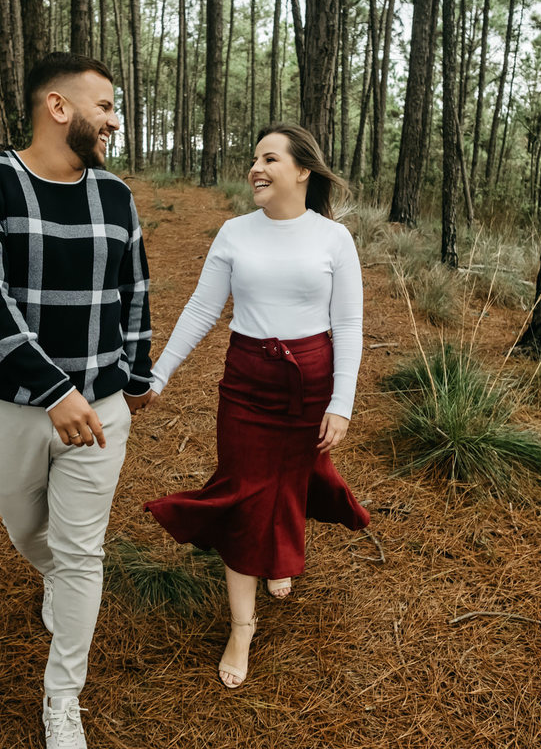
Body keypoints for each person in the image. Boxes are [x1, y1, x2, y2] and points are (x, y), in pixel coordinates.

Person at [0, 52, 154, 749]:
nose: (114, 120)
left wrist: (136, 373)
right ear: (58, 107)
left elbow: (136, 293)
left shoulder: (117, 196)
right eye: (104, 106)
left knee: (80, 553)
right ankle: (62, 587)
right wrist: (51, 388)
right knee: (27, 534)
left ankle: (61, 701)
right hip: (14, 406)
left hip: (100, 411)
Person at [143, 123, 369, 689]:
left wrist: (341, 402)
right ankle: (242, 627)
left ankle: (279, 557)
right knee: (245, 492)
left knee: (292, 478)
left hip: (310, 382)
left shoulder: (333, 239)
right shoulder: (234, 233)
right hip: (246, 382)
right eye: (253, 159)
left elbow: (348, 323)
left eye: (269, 158)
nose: (256, 168)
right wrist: (159, 373)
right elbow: (201, 309)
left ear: (302, 171)